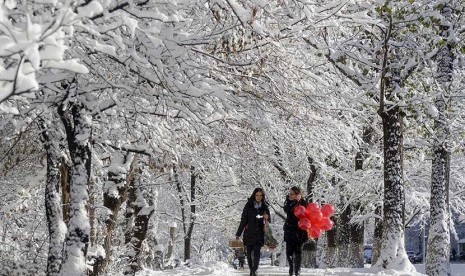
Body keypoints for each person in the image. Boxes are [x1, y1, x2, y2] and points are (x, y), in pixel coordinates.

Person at [236, 187, 271, 276]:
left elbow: (269, 221)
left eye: (260, 195)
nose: (259, 197)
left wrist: (267, 217)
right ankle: (251, 269)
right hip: (249, 233)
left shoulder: (265, 206)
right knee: (248, 252)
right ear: (254, 195)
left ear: (263, 196)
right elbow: (243, 220)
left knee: (257, 252)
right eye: (257, 195)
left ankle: (254, 270)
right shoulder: (248, 205)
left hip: (259, 233)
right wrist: (238, 234)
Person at [283, 186, 308, 276]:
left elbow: (307, 212)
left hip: (300, 231)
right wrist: (294, 202)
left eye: (292, 194)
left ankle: (297, 270)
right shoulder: (288, 201)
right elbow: (287, 210)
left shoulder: (303, 202)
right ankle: (291, 267)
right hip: (289, 229)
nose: (290, 195)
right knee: (289, 252)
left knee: (298, 251)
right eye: (289, 193)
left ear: (297, 194)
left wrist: (300, 202)